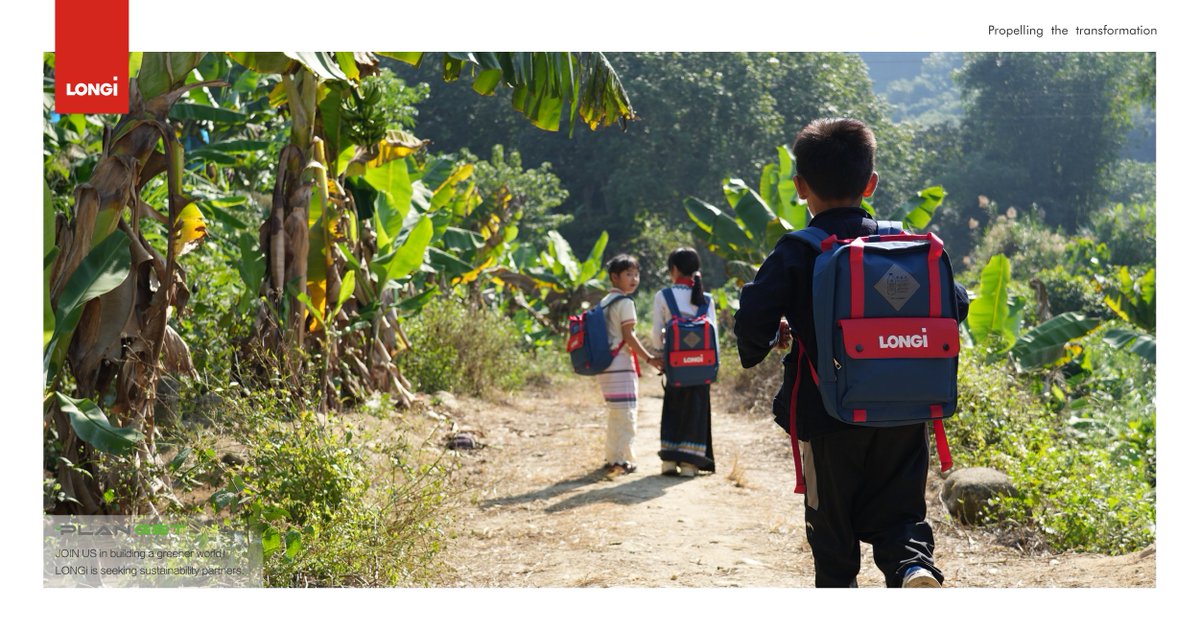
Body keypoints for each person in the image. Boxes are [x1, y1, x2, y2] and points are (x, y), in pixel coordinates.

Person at [733, 118, 970, 588]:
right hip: (905, 411)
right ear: (871, 183)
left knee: (832, 532)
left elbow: (752, 319)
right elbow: (956, 303)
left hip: (828, 415)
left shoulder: (800, 250)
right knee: (901, 512)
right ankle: (912, 566)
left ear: (800, 187)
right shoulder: (902, 244)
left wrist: (770, 337)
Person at [650, 247, 717, 478]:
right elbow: (714, 335)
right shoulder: (706, 299)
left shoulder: (664, 296)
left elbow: (657, 333)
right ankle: (690, 465)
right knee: (696, 410)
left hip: (675, 364)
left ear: (674, 269)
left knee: (673, 407)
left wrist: (660, 355)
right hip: (702, 365)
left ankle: (669, 461)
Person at [596, 254, 662, 475]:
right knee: (626, 414)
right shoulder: (625, 303)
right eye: (628, 274)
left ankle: (612, 457)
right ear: (615, 277)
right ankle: (622, 461)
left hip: (605, 364)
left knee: (616, 413)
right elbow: (629, 336)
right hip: (620, 365)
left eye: (636, 274)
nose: (634, 279)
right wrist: (650, 359)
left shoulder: (604, 302)